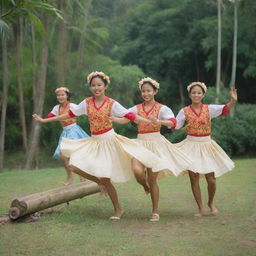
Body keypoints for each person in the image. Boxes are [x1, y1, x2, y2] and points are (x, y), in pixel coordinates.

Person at [33, 71, 167, 220]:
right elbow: (70, 114)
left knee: (106, 178)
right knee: (72, 165)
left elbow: (130, 116)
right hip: (94, 141)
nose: (96, 88)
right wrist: (45, 120)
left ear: (105, 86)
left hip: (109, 141)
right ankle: (100, 183)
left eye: (99, 85)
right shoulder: (86, 103)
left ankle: (118, 209)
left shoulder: (111, 103)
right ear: (90, 87)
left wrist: (150, 122)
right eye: (93, 85)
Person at [175, 82, 237, 216]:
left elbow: (225, 109)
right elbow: (175, 124)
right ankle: (200, 208)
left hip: (207, 145)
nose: (196, 95)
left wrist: (233, 100)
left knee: (211, 179)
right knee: (194, 178)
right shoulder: (184, 111)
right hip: (190, 146)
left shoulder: (209, 109)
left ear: (203, 94)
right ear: (189, 95)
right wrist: (163, 122)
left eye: (199, 93)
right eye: (193, 93)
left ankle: (210, 203)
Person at [46, 87, 89, 185]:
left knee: (75, 155)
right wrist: (41, 119)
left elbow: (83, 111)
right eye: (58, 95)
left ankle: (82, 176)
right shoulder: (57, 108)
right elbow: (50, 116)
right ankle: (70, 176)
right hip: (65, 133)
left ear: (67, 96)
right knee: (63, 157)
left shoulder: (72, 106)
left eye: (62, 95)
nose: (60, 97)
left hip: (74, 131)